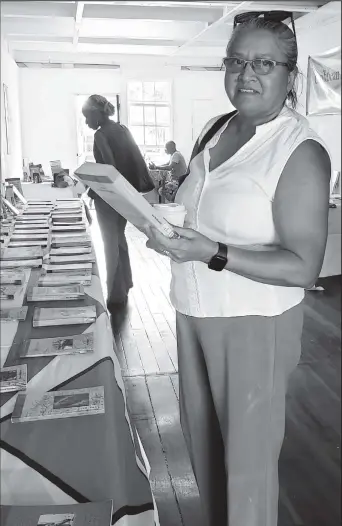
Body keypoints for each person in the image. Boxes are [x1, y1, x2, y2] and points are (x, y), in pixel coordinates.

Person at [142, 12, 331, 526]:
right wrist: (169, 235)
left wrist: (213, 253)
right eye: (235, 61)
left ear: (290, 76)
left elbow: (303, 266)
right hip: (194, 312)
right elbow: (200, 212)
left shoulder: (300, 151)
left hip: (254, 324)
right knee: (204, 444)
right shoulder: (217, 127)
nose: (245, 74)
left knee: (247, 467)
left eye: (263, 63)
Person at [82, 94, 152, 311]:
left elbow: (109, 170)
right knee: (119, 239)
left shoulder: (101, 135)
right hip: (126, 194)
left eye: (86, 117)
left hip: (109, 197)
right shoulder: (122, 129)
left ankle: (115, 295)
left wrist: (88, 181)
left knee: (109, 244)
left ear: (95, 114)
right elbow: (134, 160)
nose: (86, 122)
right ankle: (126, 283)